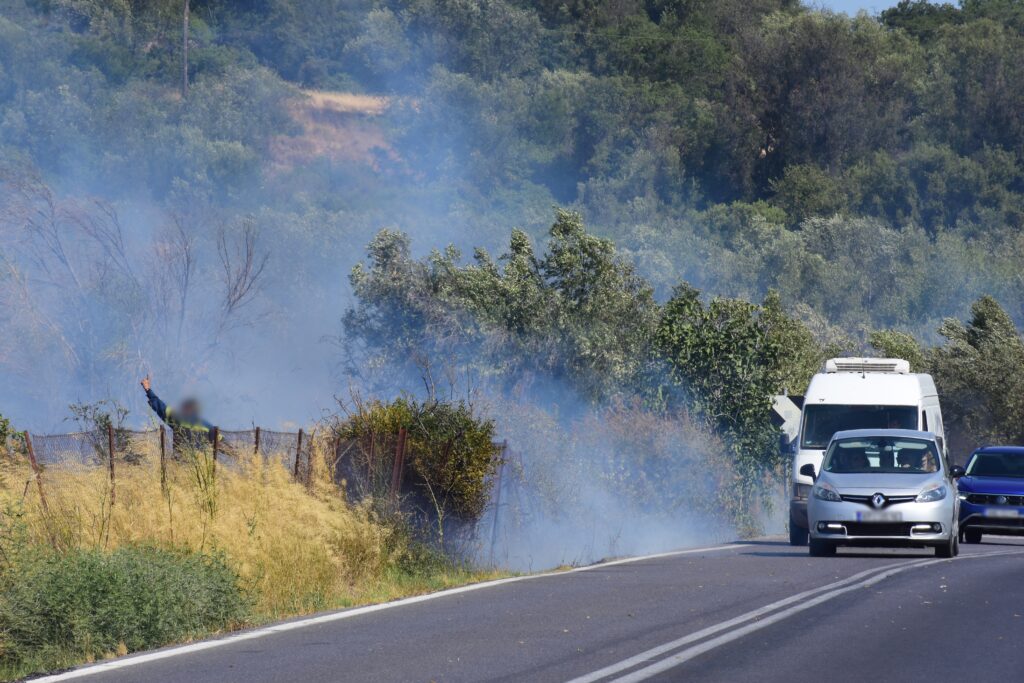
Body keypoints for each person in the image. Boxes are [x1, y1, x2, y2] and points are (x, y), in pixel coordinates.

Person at [141, 376, 215, 454]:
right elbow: (221, 443)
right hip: (202, 464)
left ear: (187, 409)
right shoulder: (208, 426)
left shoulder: (179, 419)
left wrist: (148, 390)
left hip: (180, 463)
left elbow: (161, 408)